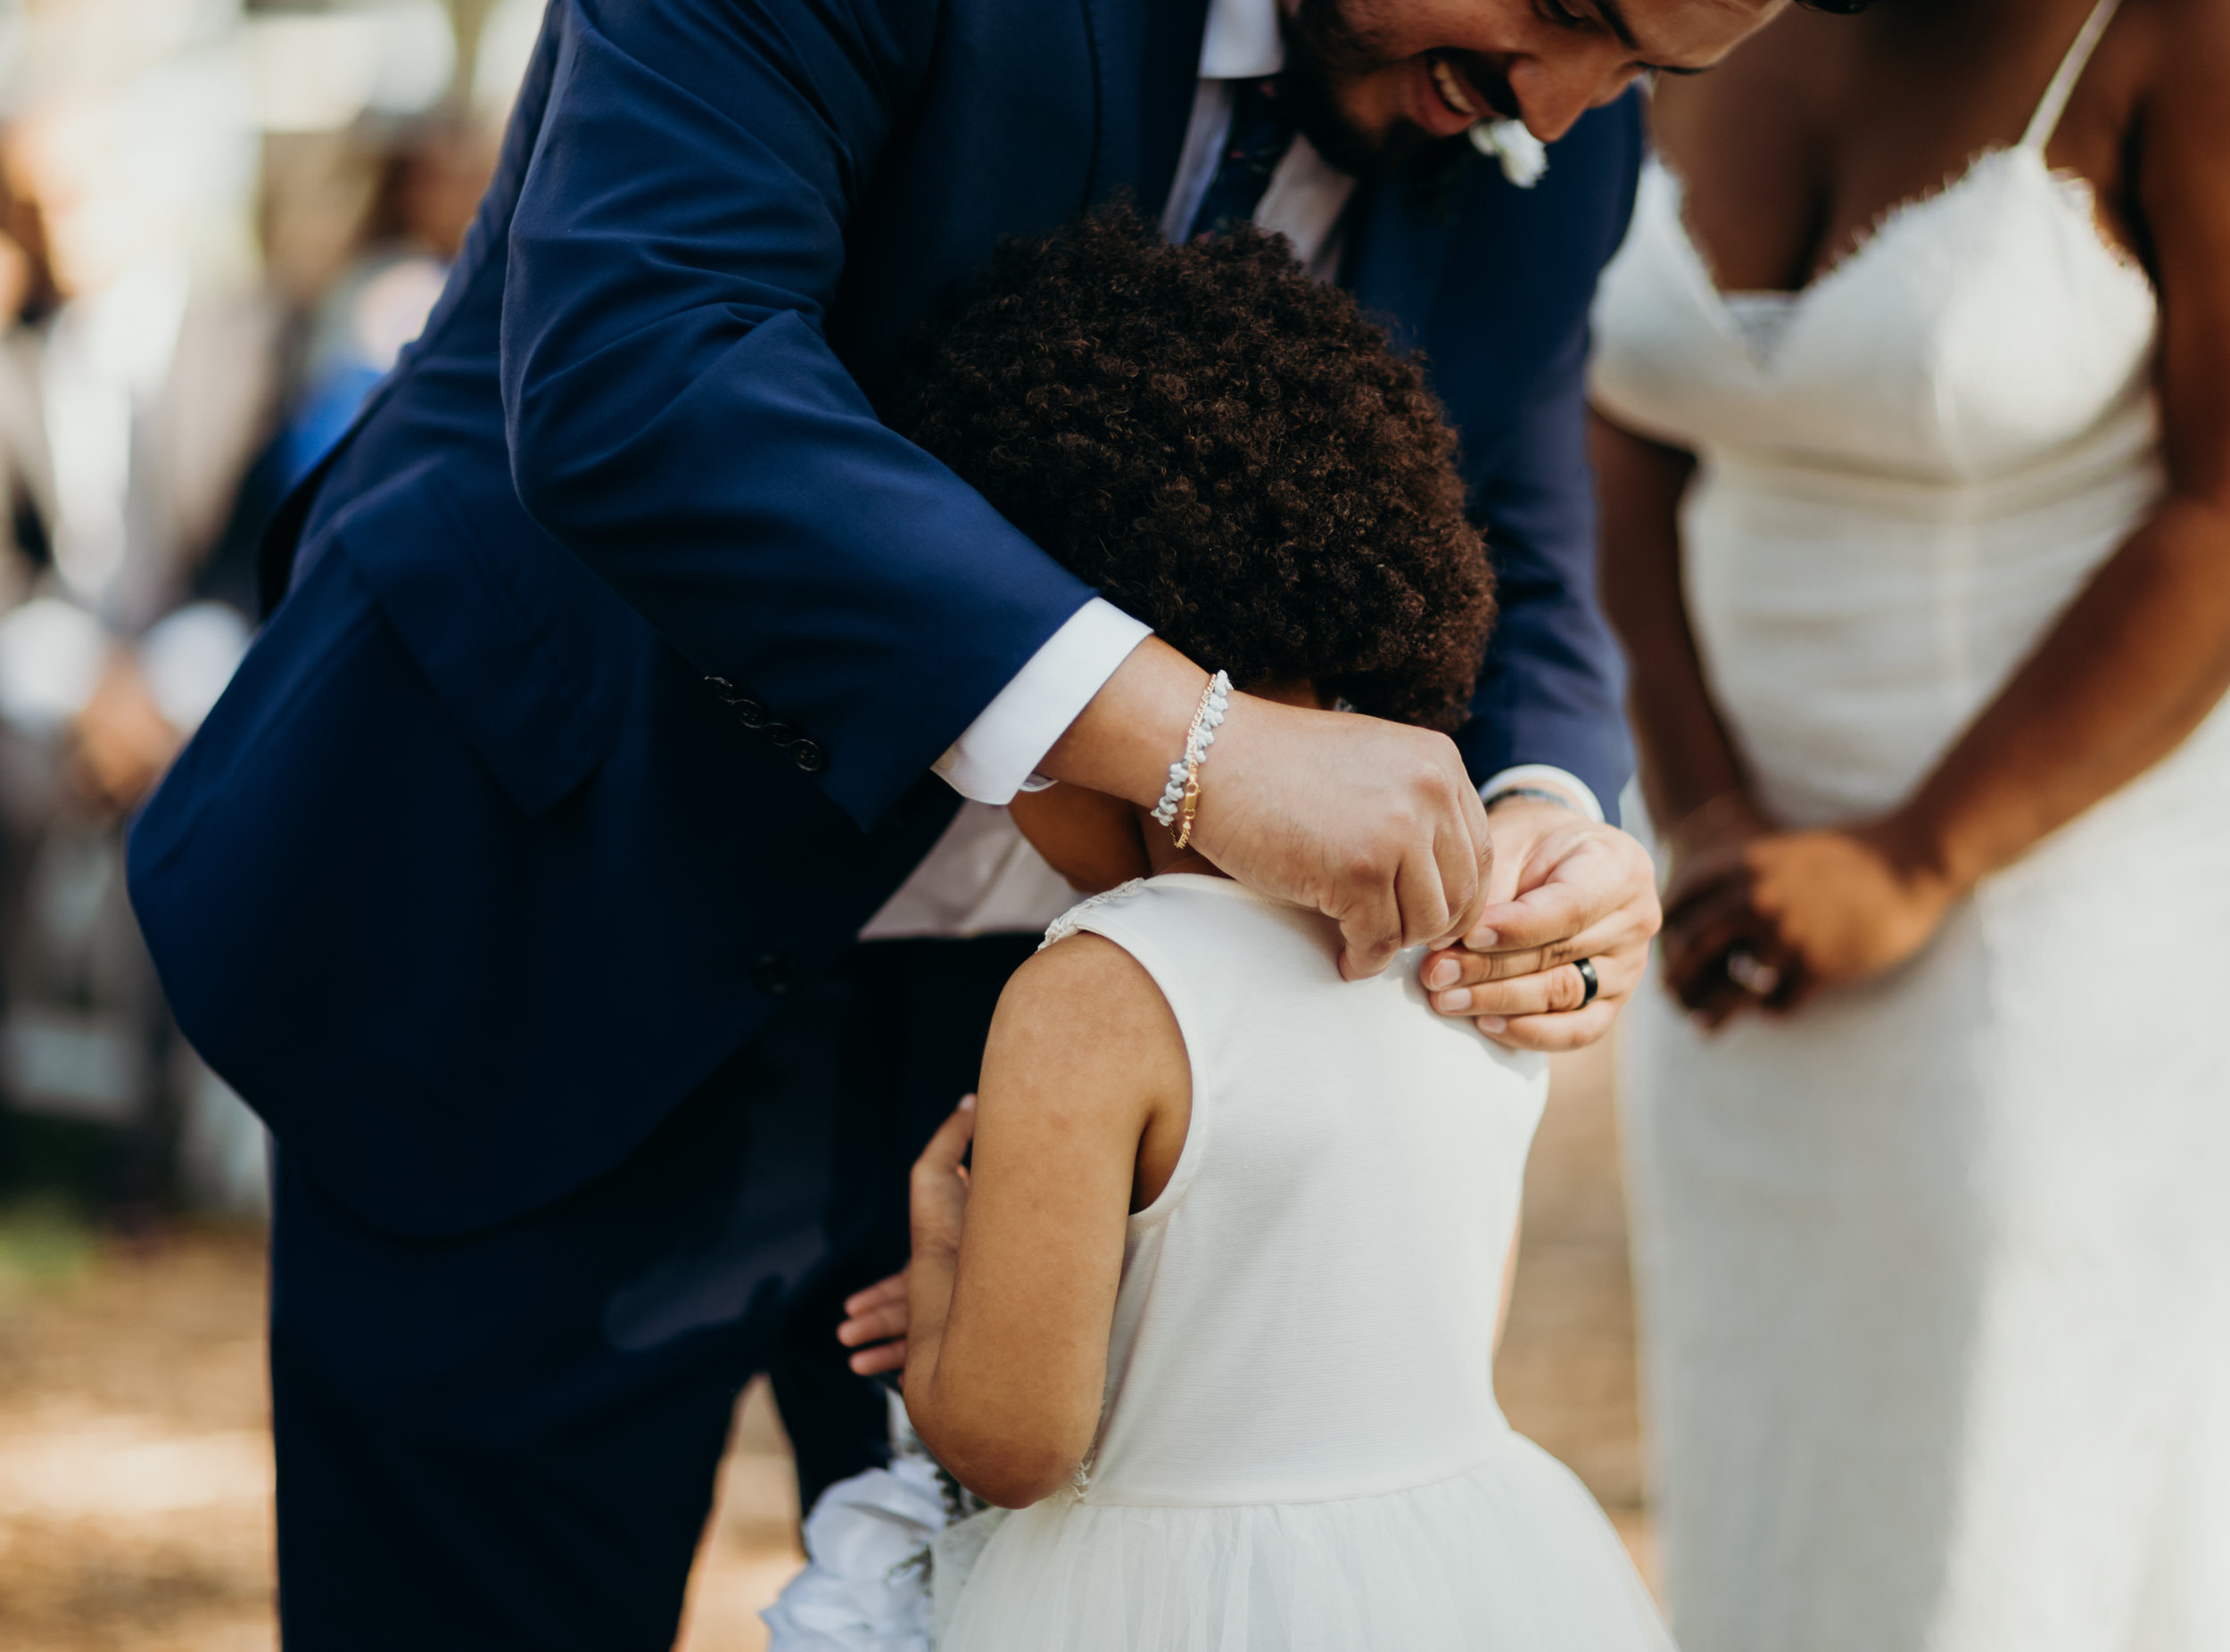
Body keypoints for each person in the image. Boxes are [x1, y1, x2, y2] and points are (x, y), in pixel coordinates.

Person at [124, 0, 1776, 1644]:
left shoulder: (1557, 114)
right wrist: (1197, 747)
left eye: (1645, 66)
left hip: (1087, 1065)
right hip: (552, 891)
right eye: (1567, 5)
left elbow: (1520, 525)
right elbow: (649, 356)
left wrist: (1544, 811)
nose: (1555, 112)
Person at [796, 207, 1671, 1651]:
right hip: (1462, 1574)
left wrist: (956, 1260)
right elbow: (1365, 1325)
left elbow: (1016, 1443)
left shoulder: (1102, 986)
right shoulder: (1479, 937)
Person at [1589, 0, 2230, 1646]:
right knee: (1770, 1434)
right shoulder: (1680, 22)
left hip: (2053, 875)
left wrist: (1915, 857)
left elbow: (2222, 515)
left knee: (2005, 1478)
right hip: (1727, 869)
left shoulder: (2176, 35)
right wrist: (1705, 808)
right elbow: (1614, 445)